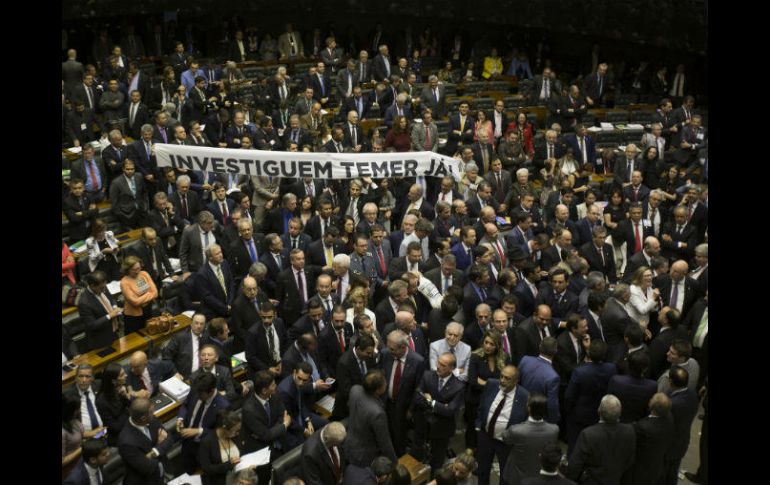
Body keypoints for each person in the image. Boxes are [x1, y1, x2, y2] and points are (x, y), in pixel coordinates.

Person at [412, 352, 466, 474]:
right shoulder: (427, 375)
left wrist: (432, 402)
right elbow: (417, 398)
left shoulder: (459, 386)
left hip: (442, 430)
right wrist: (442, 406)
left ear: (452, 368)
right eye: (438, 362)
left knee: (437, 462)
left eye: (443, 365)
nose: (438, 366)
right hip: (423, 425)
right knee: (416, 457)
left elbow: (450, 411)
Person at [564, 394, 636, 484]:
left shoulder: (588, 434)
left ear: (599, 411)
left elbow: (575, 465)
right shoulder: (629, 431)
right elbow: (629, 460)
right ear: (620, 413)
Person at [564, 340, 617, 453]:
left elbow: (569, 396)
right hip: (600, 413)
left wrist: (568, 411)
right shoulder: (611, 369)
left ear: (589, 353)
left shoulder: (579, 371)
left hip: (579, 415)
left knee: (575, 444)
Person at [241, 370, 292, 484]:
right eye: (273, 385)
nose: (276, 386)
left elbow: (282, 414)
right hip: (261, 450)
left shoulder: (274, 395)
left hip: (279, 442)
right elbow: (266, 435)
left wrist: (272, 431)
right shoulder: (249, 409)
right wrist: (284, 425)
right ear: (264, 390)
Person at [501, 393, 560, 485]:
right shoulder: (554, 430)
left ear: (529, 408)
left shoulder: (516, 430)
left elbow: (505, 438)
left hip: (518, 477)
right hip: (540, 477)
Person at [345, 369, 397, 466]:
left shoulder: (354, 389)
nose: (386, 384)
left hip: (349, 444)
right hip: (365, 456)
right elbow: (384, 443)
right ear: (378, 390)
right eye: (384, 383)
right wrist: (394, 462)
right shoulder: (377, 413)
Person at [118, 397, 175, 485]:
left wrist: (153, 453)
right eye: (152, 412)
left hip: (162, 469)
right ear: (143, 418)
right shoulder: (126, 442)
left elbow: (169, 439)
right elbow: (147, 467)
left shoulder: (151, 419)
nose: (154, 413)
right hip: (145, 481)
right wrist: (158, 446)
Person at [465, 329, 506, 450]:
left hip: (493, 401)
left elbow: (505, 383)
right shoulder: (475, 357)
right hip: (475, 400)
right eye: (486, 342)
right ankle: (470, 450)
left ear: (498, 346)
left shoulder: (504, 358)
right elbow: (473, 382)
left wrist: (485, 382)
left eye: (492, 344)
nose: (487, 346)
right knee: (472, 428)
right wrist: (495, 384)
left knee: (488, 427)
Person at [626, 393, 675, 485]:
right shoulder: (669, 417)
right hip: (658, 463)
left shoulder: (643, 428)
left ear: (652, 406)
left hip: (641, 468)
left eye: (652, 398)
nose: (650, 399)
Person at [664, 366, 699, 485]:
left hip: (670, 444)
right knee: (673, 469)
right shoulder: (692, 394)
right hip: (682, 440)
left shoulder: (672, 404)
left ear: (670, 382)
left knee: (666, 473)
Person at [332, 334, 377, 420]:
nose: (371, 355)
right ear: (358, 349)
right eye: (368, 353)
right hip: (347, 407)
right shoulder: (344, 363)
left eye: (371, 352)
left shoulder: (370, 356)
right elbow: (346, 390)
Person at [197, 409, 247, 485]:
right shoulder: (207, 442)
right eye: (235, 431)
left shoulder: (235, 436)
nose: (238, 433)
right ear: (224, 429)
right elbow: (207, 469)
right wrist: (228, 465)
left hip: (240, 477)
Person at [607, 350, 658, 423]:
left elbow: (608, 401)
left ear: (628, 365)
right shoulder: (652, 386)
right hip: (637, 424)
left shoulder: (616, 380)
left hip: (616, 420)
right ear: (645, 369)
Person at [78, 270, 122, 351]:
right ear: (92, 286)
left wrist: (114, 307)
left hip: (113, 331)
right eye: (101, 287)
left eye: (105, 286)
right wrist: (110, 315)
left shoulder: (102, 286)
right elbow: (92, 325)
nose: (104, 289)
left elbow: (111, 298)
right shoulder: (84, 303)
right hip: (100, 341)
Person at [120, 255, 159, 334]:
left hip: (148, 311)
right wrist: (148, 294)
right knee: (136, 340)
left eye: (138, 268)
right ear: (127, 269)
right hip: (133, 317)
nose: (137, 271)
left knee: (151, 333)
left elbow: (155, 293)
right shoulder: (124, 282)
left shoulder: (144, 274)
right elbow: (135, 302)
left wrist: (141, 298)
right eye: (134, 270)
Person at [95, 362, 131, 446]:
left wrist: (126, 396)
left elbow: (131, 406)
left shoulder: (120, 389)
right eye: (122, 375)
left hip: (127, 426)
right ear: (113, 381)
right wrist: (128, 414)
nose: (126, 375)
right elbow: (115, 427)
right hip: (115, 435)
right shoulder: (101, 401)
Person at [627, 267, 661, 334]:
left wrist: (656, 305)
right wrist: (654, 297)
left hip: (645, 323)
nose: (650, 278)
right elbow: (642, 310)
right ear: (639, 278)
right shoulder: (633, 290)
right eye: (646, 276)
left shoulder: (649, 288)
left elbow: (652, 308)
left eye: (651, 275)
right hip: (634, 325)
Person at [62, 393, 86, 468]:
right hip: (71, 470)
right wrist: (82, 448)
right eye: (77, 409)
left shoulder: (72, 419)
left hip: (82, 460)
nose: (79, 410)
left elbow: (78, 434)